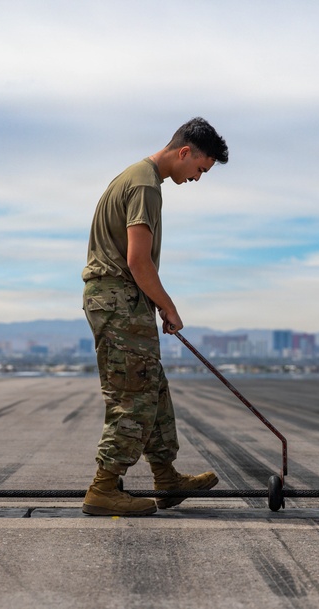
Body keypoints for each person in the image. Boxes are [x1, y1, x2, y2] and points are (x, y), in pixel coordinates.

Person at [80, 117, 229, 516]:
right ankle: (104, 487)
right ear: (185, 152)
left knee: (153, 387)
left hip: (119, 300)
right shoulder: (145, 184)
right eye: (200, 169)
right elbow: (137, 259)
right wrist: (168, 304)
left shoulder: (137, 176)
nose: (198, 178)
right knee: (134, 396)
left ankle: (166, 478)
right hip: (119, 300)